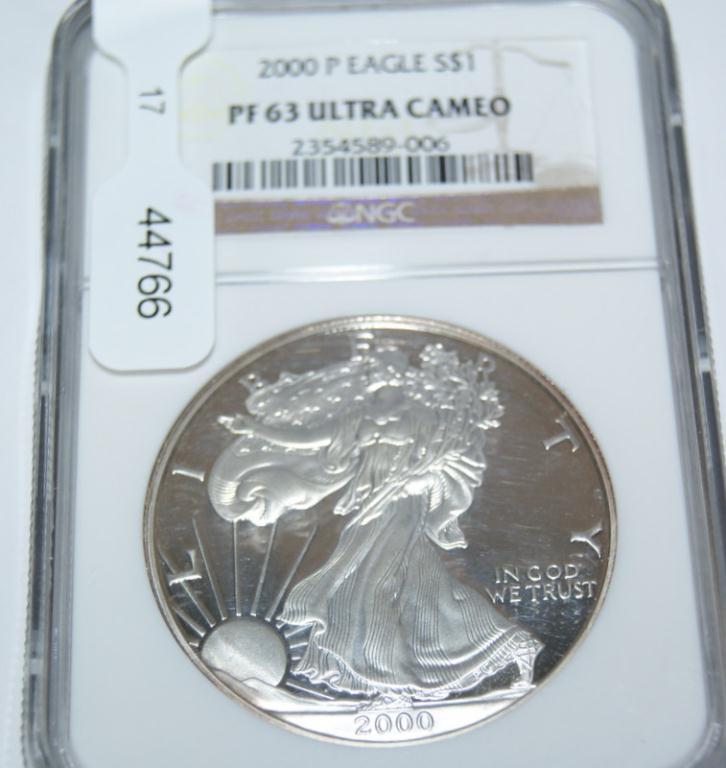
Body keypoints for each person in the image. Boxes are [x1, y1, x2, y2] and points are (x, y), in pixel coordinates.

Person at [208, 340, 542, 702]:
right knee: (419, 588)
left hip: (403, 508)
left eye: (390, 371)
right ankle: (505, 646)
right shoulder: (357, 418)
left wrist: (422, 478)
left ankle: (390, 677)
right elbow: (307, 438)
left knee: (370, 585)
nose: (384, 379)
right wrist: (255, 429)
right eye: (378, 372)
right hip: (367, 509)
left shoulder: (426, 418)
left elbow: (453, 460)